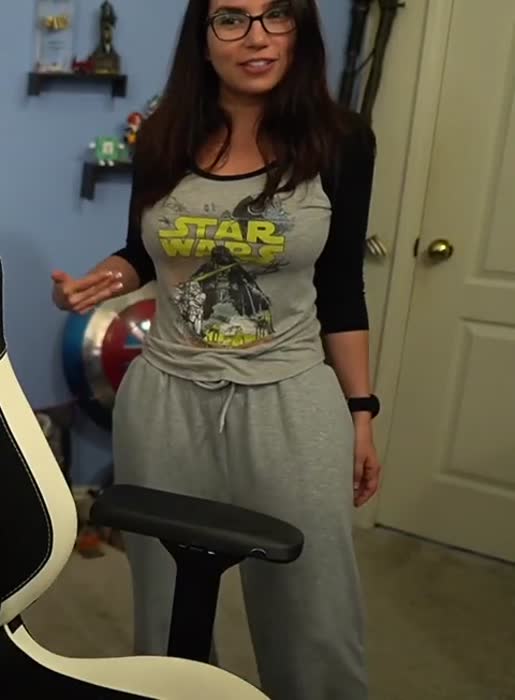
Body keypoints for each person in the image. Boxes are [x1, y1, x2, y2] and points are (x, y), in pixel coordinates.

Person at [51, 1, 382, 698]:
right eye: (231, 18)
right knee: (167, 603)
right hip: (165, 394)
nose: (255, 37)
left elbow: (340, 286)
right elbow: (143, 248)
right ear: (203, 40)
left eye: (275, 15)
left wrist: (361, 411)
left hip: (288, 393)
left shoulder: (341, 140)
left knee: (312, 605)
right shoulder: (164, 136)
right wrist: (101, 281)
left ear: (299, 30)